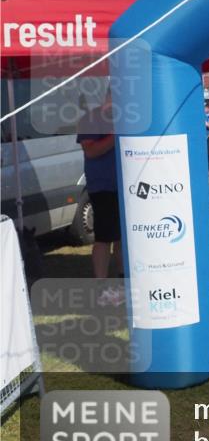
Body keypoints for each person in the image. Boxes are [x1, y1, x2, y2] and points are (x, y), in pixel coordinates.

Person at [76, 90, 123, 304]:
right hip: (103, 187)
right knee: (104, 237)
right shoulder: (90, 119)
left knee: (123, 238)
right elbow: (91, 151)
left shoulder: (129, 117)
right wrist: (116, 135)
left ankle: (123, 283)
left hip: (127, 187)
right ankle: (101, 288)